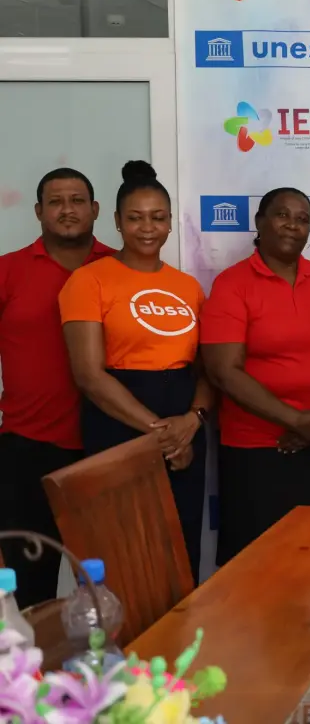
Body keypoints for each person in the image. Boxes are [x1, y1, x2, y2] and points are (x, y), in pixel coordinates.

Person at [58, 161, 211, 583]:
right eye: (135, 218)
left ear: (170, 223)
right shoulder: (88, 281)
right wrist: (161, 435)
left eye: (158, 218)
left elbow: (208, 371)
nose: (148, 228)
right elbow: (89, 375)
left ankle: (180, 628)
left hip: (183, 426)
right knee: (121, 556)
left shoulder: (189, 287)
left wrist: (191, 422)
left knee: (180, 553)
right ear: (117, 222)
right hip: (119, 425)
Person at [201, 188, 310, 565]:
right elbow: (223, 371)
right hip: (256, 451)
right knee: (258, 568)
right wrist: (298, 422)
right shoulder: (232, 284)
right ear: (260, 222)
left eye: (303, 219)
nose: (292, 225)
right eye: (282, 215)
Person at [0, 168, 115, 607]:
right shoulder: (8, 270)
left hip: (109, 447)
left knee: (115, 586)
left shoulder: (120, 267)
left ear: (95, 209)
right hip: (27, 449)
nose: (67, 210)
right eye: (56, 201)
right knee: (31, 590)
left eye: (77, 200)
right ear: (38, 211)